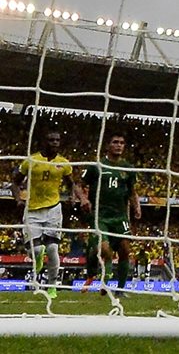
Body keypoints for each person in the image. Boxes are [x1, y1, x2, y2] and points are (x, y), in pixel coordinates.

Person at [13, 128, 89, 299]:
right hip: (32, 210)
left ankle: (52, 286)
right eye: (51, 140)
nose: (55, 143)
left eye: (57, 140)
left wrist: (79, 198)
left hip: (53, 209)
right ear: (44, 142)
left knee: (53, 248)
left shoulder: (64, 163)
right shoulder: (31, 161)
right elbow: (15, 182)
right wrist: (18, 199)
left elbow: (71, 183)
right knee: (36, 250)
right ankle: (38, 259)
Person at [80, 131, 141, 296]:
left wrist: (137, 206)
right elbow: (80, 185)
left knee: (125, 250)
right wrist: (83, 199)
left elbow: (132, 191)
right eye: (115, 142)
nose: (119, 145)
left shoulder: (128, 168)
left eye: (121, 143)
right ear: (108, 145)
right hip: (100, 216)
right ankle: (103, 276)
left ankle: (120, 290)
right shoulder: (97, 166)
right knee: (105, 249)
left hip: (120, 216)